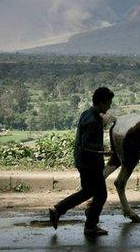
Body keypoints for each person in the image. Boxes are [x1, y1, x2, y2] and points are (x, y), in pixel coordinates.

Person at [49, 87, 114, 236]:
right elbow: (86, 145)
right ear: (101, 102)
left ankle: (63, 211)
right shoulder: (93, 120)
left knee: (88, 192)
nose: (110, 106)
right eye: (109, 103)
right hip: (90, 164)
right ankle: (89, 225)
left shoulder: (87, 114)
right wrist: (104, 151)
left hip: (83, 162)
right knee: (101, 194)